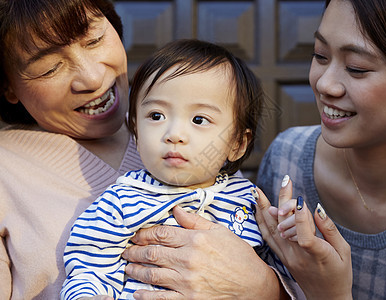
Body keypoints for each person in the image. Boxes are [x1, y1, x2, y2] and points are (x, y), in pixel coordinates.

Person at [0, 1, 300, 299]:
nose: (92, 79)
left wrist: (266, 286)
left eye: (94, 39)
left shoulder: (234, 188)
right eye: (51, 67)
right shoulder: (9, 172)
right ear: (7, 85)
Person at [60, 39, 290, 299]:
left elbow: (276, 268)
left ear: (237, 144)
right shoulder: (123, 200)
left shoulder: (249, 201)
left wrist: (289, 235)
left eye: (199, 120)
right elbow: (89, 267)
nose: (174, 134)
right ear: (135, 130)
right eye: (156, 116)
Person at [255, 0, 386, 299]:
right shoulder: (287, 157)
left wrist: (329, 294)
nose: (325, 84)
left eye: (356, 68)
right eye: (320, 55)